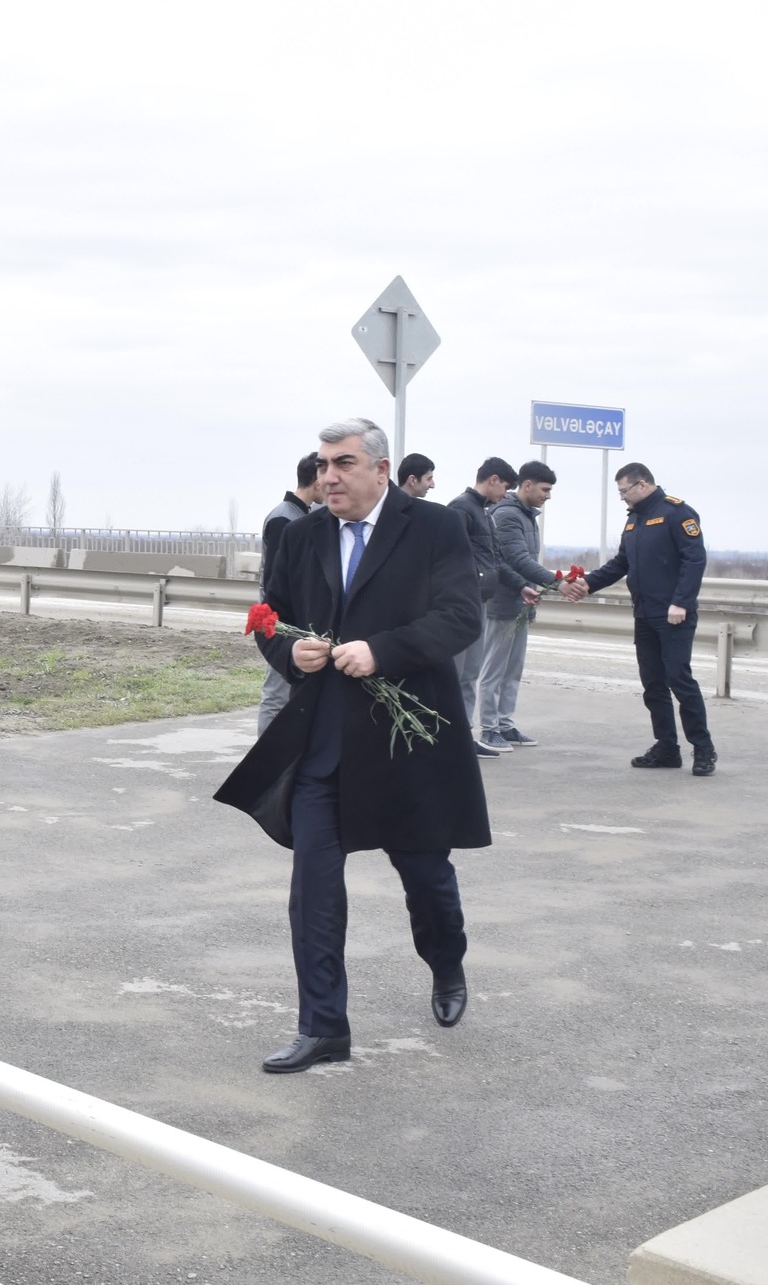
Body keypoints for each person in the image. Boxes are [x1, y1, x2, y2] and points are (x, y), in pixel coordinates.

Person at [214, 417, 488, 1073]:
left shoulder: (435, 527)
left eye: (343, 463)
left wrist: (382, 651)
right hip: (325, 745)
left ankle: (446, 964)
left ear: (381, 469)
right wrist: (291, 654)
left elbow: (460, 617)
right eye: (323, 464)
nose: (328, 476)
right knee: (312, 889)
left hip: (407, 744)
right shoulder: (302, 534)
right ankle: (323, 1027)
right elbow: (272, 619)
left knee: (426, 877)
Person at [564, 464, 715, 775]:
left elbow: (694, 559)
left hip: (673, 614)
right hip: (644, 614)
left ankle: (703, 749)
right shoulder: (634, 519)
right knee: (653, 684)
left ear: (642, 484)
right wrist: (588, 583)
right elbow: (622, 562)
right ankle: (666, 748)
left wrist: (681, 602)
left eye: (624, 491)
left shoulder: (677, 513)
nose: (621, 497)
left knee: (679, 679)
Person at [477, 461, 555, 752]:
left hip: (521, 602)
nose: (547, 496)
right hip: (502, 603)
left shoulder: (526, 515)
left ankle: (505, 724)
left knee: (513, 670)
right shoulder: (508, 514)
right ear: (528, 485)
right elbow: (515, 560)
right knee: (494, 670)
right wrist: (556, 582)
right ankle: (489, 728)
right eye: (545, 489)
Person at [446, 458, 518, 755]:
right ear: (493, 480)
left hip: (479, 602)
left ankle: (463, 738)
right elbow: (448, 555)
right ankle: (449, 739)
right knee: (455, 674)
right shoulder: (461, 508)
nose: (506, 494)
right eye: (506, 487)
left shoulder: (484, 512)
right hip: (460, 603)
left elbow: (495, 560)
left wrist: (522, 586)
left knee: (470, 673)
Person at [255, 452, 324, 733]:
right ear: (316, 482)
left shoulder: (298, 514)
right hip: (278, 619)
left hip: (287, 618)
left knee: (286, 692)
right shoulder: (284, 519)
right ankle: (266, 755)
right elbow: (276, 580)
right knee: (276, 692)